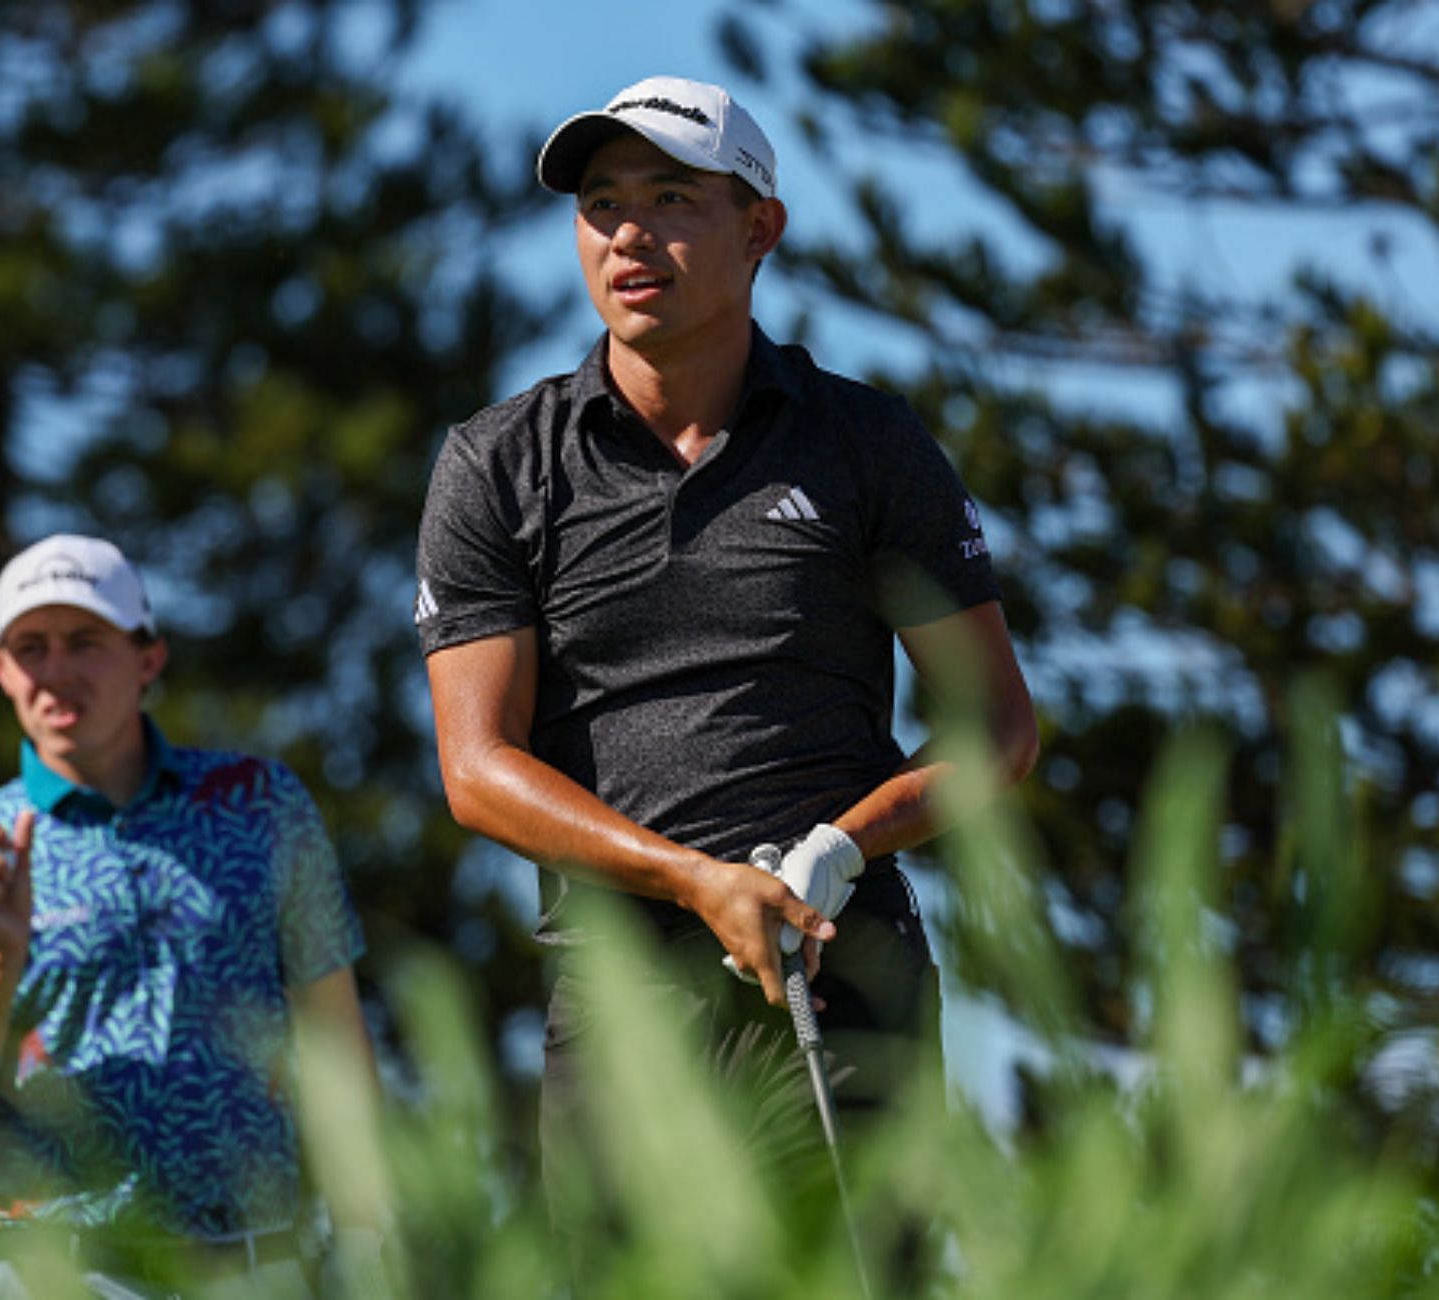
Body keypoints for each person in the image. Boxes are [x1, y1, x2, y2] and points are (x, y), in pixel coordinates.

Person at [413, 75, 1038, 1270]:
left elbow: (999, 729)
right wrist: (694, 881)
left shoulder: (865, 443)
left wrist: (842, 849)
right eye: (601, 205)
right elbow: (479, 767)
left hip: (838, 969)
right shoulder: (497, 465)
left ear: (761, 229)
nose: (629, 234)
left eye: (671, 198)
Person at [0, 533, 385, 1299]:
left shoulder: (259, 804)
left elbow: (336, 1050)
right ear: (2, 670)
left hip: (258, 1270)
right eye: (31, 647)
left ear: (148, 658)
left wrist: (373, 1246)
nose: (57, 671)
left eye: (86, 641)